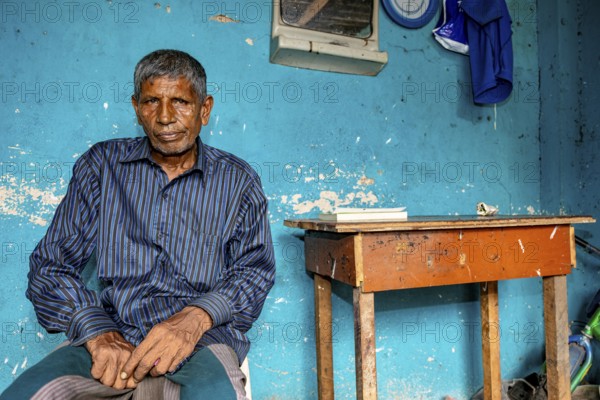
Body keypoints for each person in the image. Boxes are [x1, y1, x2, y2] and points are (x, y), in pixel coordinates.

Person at [0, 49, 276, 400]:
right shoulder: (102, 165)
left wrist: (196, 318)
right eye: (151, 102)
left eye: (180, 102)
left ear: (204, 109)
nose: (164, 117)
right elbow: (51, 266)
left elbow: (254, 272)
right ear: (136, 108)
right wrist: (97, 332)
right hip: (111, 339)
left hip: (201, 343)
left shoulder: (238, 181)